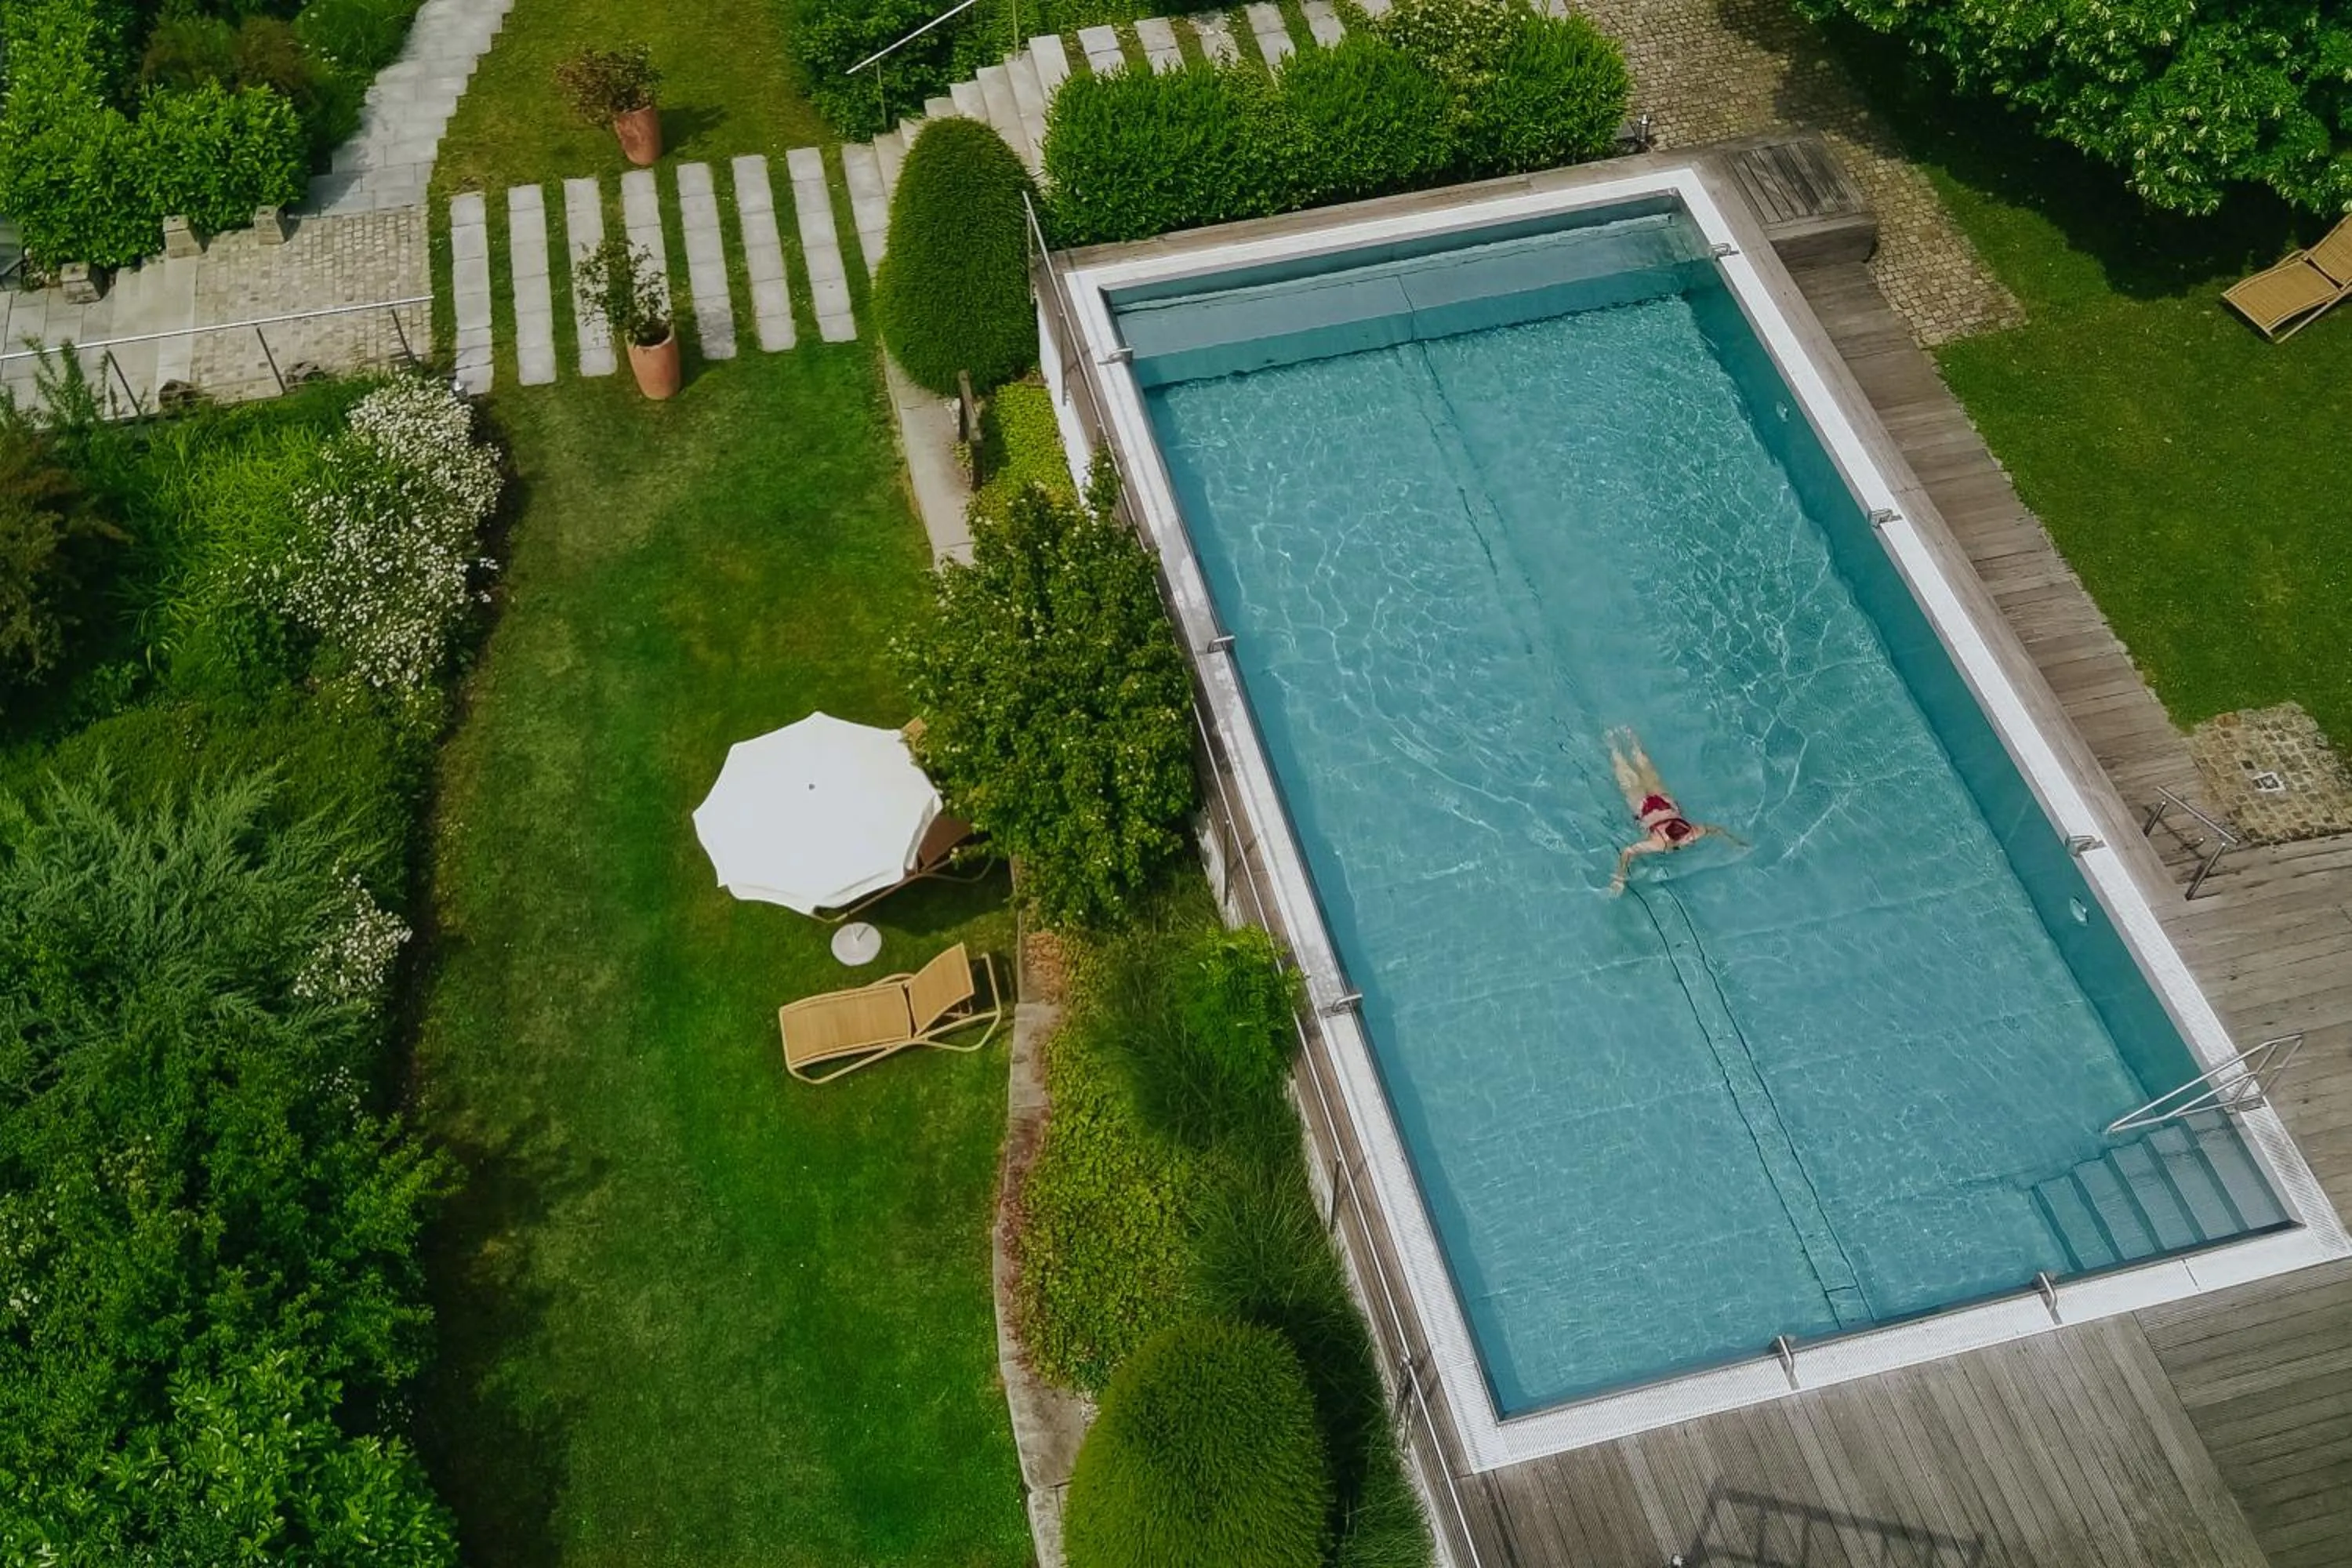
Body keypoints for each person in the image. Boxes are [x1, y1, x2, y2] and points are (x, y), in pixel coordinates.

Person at [1606, 727, 1738, 895]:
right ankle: (1614, 746)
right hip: (1644, 805)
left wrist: (1734, 843)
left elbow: (1715, 829)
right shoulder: (1658, 844)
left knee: (1643, 767)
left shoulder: (1693, 832)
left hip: (1662, 802)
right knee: (1626, 769)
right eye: (1689, 838)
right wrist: (1619, 879)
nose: (1692, 839)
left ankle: (1631, 739)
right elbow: (1628, 851)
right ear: (1674, 838)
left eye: (1690, 835)